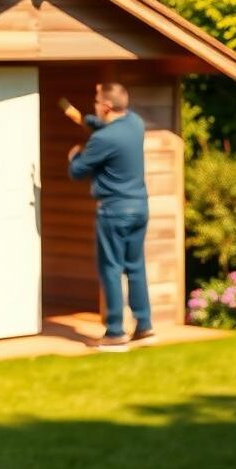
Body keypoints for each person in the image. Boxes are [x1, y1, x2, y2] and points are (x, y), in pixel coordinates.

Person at [61, 84, 155, 351]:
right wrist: (85, 120)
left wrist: (74, 155)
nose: (94, 106)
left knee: (111, 269)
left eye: (96, 102)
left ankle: (115, 332)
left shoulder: (101, 141)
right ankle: (144, 325)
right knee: (135, 267)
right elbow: (105, 126)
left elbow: (77, 172)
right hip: (139, 206)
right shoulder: (135, 123)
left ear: (106, 107)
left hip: (114, 209)